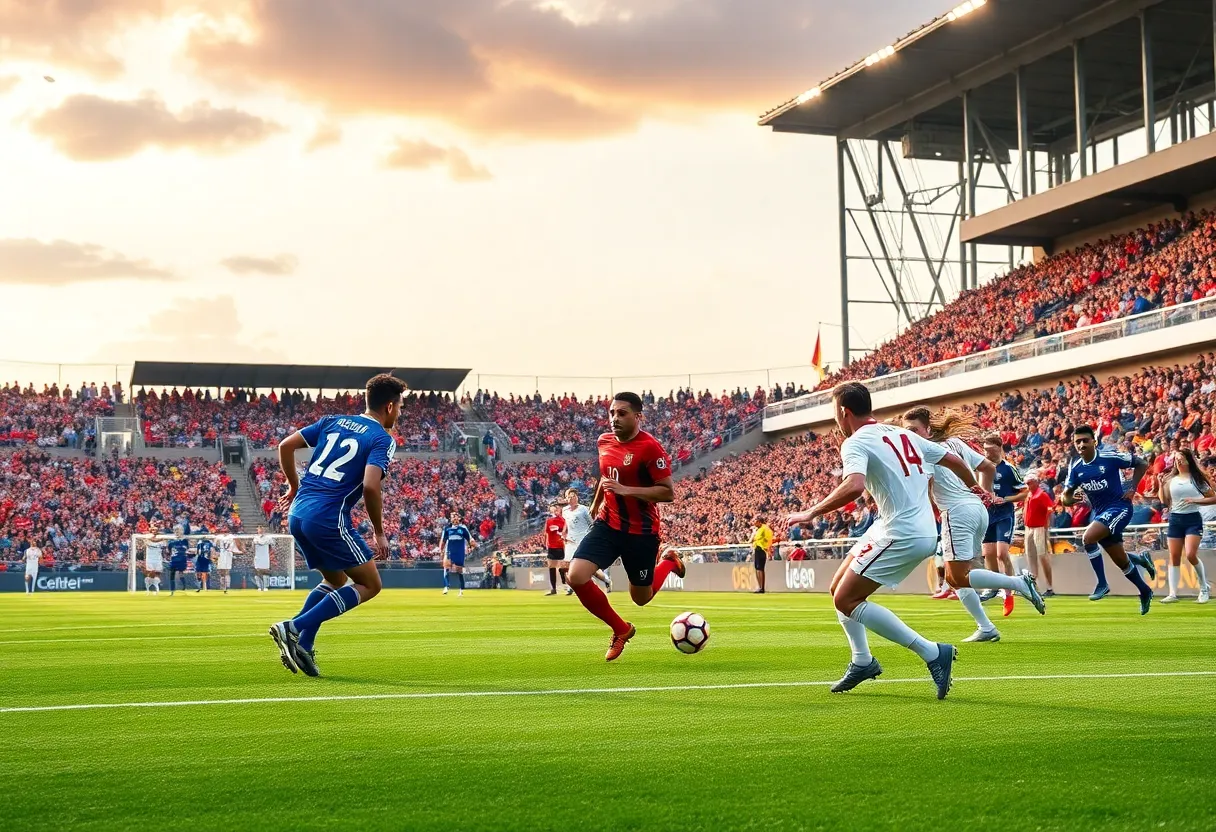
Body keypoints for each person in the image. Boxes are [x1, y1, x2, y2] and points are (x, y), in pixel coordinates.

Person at [787, 383, 994, 700]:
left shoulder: (856, 442)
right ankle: (862, 661)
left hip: (901, 532)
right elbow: (953, 460)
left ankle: (932, 653)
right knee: (837, 587)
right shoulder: (904, 434)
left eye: (835, 413)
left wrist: (811, 512)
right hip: (907, 527)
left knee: (846, 600)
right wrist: (973, 487)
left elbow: (854, 485)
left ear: (844, 412)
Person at [269, 373, 406, 677]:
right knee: (371, 584)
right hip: (328, 517)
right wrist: (380, 533)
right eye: (400, 407)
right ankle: (293, 627)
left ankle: (303, 645)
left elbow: (285, 446)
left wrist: (293, 486)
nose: (399, 413)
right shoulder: (382, 438)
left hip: (299, 514)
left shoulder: (333, 420)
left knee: (334, 580)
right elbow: (371, 486)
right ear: (389, 407)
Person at [902, 407, 1045, 645]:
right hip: (978, 510)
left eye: (914, 430)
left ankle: (1018, 583)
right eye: (907, 432)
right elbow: (988, 467)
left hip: (956, 511)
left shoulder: (924, 452)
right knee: (954, 576)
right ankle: (986, 626)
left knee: (958, 576)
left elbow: (924, 487)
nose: (910, 435)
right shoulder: (955, 443)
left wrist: (931, 512)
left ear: (927, 429)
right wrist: (985, 494)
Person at [565, 392, 683, 661]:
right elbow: (606, 476)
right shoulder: (603, 441)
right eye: (612, 413)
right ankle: (621, 629)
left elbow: (667, 493)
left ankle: (669, 562)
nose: (614, 418)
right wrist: (596, 503)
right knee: (576, 576)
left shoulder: (650, 448)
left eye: (622, 413)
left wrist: (625, 490)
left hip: (641, 532)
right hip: (608, 524)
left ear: (638, 416)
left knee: (640, 598)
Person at [1060, 425, 1157, 613]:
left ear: (1094, 441)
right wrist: (1072, 498)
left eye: (1085, 440)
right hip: (1100, 513)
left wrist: (1132, 487)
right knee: (1121, 561)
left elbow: (1142, 463)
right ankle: (1145, 589)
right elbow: (1065, 498)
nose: (1081, 444)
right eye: (1077, 441)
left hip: (1119, 507)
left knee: (1088, 538)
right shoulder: (1076, 467)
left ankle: (1102, 584)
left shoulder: (1109, 457)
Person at [979, 435, 1028, 617]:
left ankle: (1009, 593)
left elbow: (1024, 492)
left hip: (1004, 514)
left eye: (990, 450)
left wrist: (1005, 499)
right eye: (985, 450)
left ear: (999, 448)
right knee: (988, 554)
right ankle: (993, 587)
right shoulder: (982, 468)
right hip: (987, 515)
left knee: (1001, 553)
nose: (987, 453)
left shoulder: (1009, 469)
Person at [1157, 448, 1213, 603]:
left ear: (1188, 460)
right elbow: (1164, 500)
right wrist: (1161, 485)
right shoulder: (1171, 479)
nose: (1178, 461)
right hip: (1175, 519)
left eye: (1181, 458)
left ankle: (1203, 588)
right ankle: (1173, 594)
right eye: (1176, 458)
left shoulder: (1196, 479)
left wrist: (1196, 501)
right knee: (1173, 557)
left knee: (1190, 554)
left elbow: (1213, 498)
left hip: (1192, 519)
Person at [562, 488, 609, 592]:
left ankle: (606, 579)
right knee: (567, 563)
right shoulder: (564, 511)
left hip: (583, 539)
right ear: (566, 499)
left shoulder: (583, 509)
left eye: (574, 496)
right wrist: (564, 533)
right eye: (570, 497)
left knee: (586, 567)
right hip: (571, 540)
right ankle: (571, 586)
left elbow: (592, 523)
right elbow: (567, 522)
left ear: (577, 497)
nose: (572, 498)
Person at [1022, 474, 1056, 596]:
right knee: (1030, 556)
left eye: (1029, 483)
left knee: (1042, 556)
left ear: (1036, 482)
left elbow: (1050, 509)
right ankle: (1035, 586)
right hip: (1029, 528)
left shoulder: (1041, 494)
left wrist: (1046, 524)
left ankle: (1049, 587)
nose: (1028, 485)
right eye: (1027, 483)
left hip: (1039, 527)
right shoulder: (1030, 494)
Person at [440, 512, 474, 597]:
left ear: (459, 518)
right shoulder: (447, 528)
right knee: (446, 567)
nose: (454, 519)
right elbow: (443, 540)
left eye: (456, 517)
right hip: (449, 550)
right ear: (450, 519)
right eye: (452, 517)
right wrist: (441, 549)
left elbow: (469, 538)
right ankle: (446, 586)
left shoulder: (463, 528)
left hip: (459, 551)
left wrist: (471, 546)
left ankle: (461, 590)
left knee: (459, 571)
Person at [543, 503, 569, 596]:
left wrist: (559, 530)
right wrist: (546, 544)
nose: (554, 512)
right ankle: (553, 588)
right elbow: (547, 533)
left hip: (561, 546)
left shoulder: (564, 520)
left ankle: (566, 586)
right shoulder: (549, 521)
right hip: (551, 546)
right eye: (552, 510)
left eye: (556, 510)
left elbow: (566, 532)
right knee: (551, 567)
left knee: (563, 567)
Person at [750, 516, 774, 594]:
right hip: (758, 548)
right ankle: (759, 587)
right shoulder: (759, 529)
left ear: (759, 522)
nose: (754, 523)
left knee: (760, 568)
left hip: (761, 549)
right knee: (757, 568)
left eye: (755, 522)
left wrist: (767, 548)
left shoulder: (765, 529)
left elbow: (768, 539)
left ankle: (761, 588)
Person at [167, 527, 191, 596]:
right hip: (174, 561)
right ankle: (172, 591)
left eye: (179, 531)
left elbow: (187, 548)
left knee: (181, 573)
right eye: (176, 531)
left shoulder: (185, 541)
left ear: (182, 532)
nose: (177, 532)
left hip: (182, 560)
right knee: (172, 574)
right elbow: (169, 551)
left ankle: (184, 587)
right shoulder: (171, 542)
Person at [252, 526, 272, 591]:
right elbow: (253, 547)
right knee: (258, 571)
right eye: (259, 529)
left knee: (265, 571)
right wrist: (254, 556)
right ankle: (259, 587)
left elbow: (272, 545)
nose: (260, 530)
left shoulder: (268, 537)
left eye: (261, 529)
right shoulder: (255, 537)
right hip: (258, 556)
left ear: (264, 530)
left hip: (265, 556)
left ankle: (266, 586)